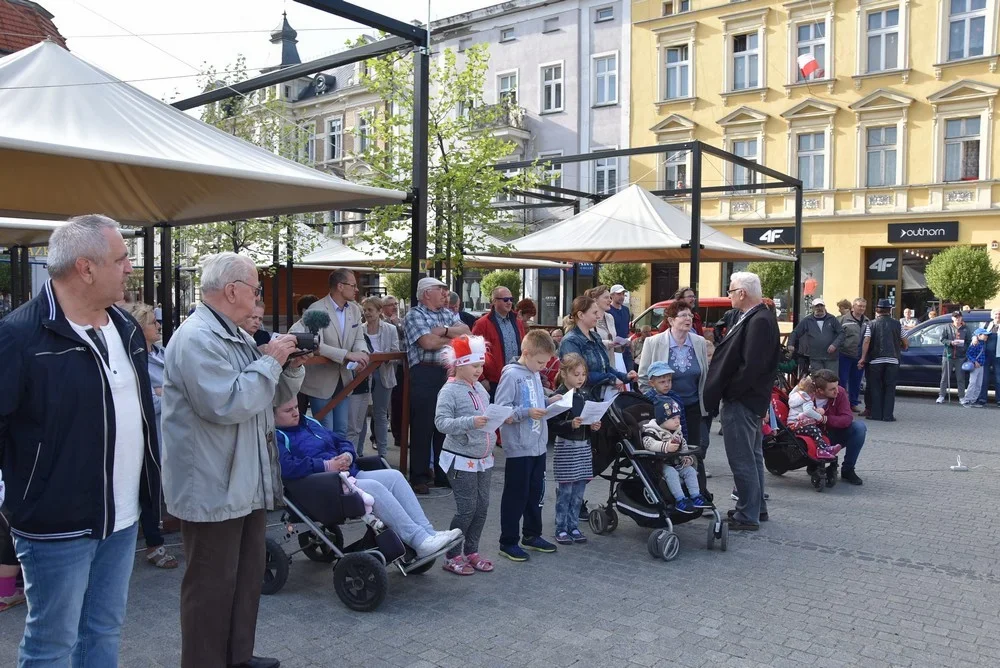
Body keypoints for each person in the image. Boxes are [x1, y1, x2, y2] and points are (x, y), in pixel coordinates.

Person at [0, 214, 161, 667]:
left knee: (103, 631)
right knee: (51, 644)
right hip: (55, 525)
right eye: (121, 258)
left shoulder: (127, 329)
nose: (130, 267)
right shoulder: (19, 336)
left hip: (122, 517)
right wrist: (18, 497)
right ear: (86, 268)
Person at [161, 252, 307, 668]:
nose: (259, 298)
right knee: (210, 586)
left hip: (243, 480)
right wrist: (271, 360)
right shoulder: (196, 338)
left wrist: (289, 368)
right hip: (212, 484)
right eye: (257, 290)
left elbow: (266, 397)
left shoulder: (233, 333)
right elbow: (226, 402)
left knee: (245, 579)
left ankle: (238, 657)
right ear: (232, 291)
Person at [274, 399, 457, 557]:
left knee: (394, 476)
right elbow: (287, 468)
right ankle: (418, 540)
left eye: (296, 407)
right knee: (374, 487)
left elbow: (340, 440)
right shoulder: (277, 436)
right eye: (288, 410)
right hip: (324, 486)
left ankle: (428, 533)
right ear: (272, 415)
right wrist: (327, 465)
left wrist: (347, 455)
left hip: (347, 474)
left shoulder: (309, 422)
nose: (295, 412)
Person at [705, 272, 780, 531]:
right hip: (751, 399)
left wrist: (731, 392)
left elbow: (752, 367)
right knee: (753, 456)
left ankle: (747, 514)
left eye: (730, 290)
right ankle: (756, 508)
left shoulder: (759, 319)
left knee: (743, 459)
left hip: (744, 400)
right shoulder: (756, 316)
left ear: (742, 293)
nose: (728, 294)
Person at [495, 330, 563, 562]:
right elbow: (502, 410)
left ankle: (532, 535)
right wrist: (527, 413)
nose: (543, 367)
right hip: (519, 447)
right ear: (526, 353)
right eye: (540, 362)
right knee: (516, 495)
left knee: (535, 493)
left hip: (538, 445)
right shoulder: (511, 375)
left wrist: (548, 401)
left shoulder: (534, 373)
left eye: (546, 362)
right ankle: (508, 541)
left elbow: (533, 401)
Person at [433, 335, 496, 575]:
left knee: (482, 507)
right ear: (459, 364)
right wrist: (471, 422)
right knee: (467, 508)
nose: (479, 371)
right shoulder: (449, 391)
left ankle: (471, 551)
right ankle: (451, 555)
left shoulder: (478, 387)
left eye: (481, 366)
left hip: (483, 458)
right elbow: (441, 423)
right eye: (475, 366)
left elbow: (485, 415)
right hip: (460, 458)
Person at [403, 276, 471, 493]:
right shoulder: (415, 315)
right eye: (440, 290)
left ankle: (442, 473)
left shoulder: (446, 314)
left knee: (446, 424)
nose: (445, 294)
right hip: (423, 372)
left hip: (445, 372)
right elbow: (427, 342)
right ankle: (419, 477)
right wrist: (452, 336)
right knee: (423, 425)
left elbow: (467, 332)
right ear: (426, 293)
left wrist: (442, 330)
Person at [124, 302, 179, 570]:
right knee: (149, 489)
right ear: (137, 327)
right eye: (151, 322)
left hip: (172, 433)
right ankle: (154, 544)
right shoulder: (132, 360)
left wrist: (162, 392)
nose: (158, 326)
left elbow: (179, 388)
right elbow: (143, 401)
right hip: (147, 436)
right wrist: (163, 394)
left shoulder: (163, 353)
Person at [293, 269, 369, 439]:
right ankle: (328, 465)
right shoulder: (317, 309)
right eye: (353, 285)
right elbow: (316, 344)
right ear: (340, 286)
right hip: (321, 381)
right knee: (325, 430)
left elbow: (359, 338)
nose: (357, 289)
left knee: (342, 430)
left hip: (344, 380)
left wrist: (362, 353)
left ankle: (341, 465)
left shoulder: (355, 310)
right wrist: (348, 355)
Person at [637, 301, 709, 450]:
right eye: (683, 315)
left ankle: (694, 472)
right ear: (670, 320)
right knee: (670, 450)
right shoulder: (653, 342)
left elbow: (705, 374)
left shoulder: (699, 342)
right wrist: (655, 401)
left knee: (694, 447)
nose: (688, 318)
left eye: (690, 315)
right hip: (665, 409)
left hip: (693, 405)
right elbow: (643, 377)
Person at [547, 353, 602, 545]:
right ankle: (561, 528)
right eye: (576, 374)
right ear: (564, 374)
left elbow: (587, 419)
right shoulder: (560, 396)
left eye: (583, 374)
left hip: (583, 448)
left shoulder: (585, 394)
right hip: (566, 448)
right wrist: (570, 424)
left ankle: (573, 526)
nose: (581, 378)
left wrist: (593, 426)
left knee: (579, 490)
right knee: (566, 491)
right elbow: (552, 424)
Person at [349, 296, 398, 458]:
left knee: (381, 414)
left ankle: (382, 454)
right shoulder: (359, 330)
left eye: (370, 310)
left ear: (379, 311)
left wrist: (381, 357)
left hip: (383, 373)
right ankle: (358, 453)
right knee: (360, 415)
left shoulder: (390, 329)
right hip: (363, 375)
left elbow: (396, 354)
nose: (367, 313)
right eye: (365, 310)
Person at [640, 402, 708, 514]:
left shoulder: (677, 431)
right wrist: (666, 447)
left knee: (690, 471)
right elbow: (649, 444)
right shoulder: (651, 431)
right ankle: (680, 499)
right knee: (671, 473)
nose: (677, 421)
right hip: (659, 464)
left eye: (678, 417)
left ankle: (696, 496)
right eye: (673, 418)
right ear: (662, 420)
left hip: (676, 462)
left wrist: (686, 457)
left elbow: (684, 445)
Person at [560, 295, 637, 394]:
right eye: (594, 313)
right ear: (581, 315)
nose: (598, 316)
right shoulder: (570, 341)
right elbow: (576, 374)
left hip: (600, 396)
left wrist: (625, 376)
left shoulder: (595, 336)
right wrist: (611, 378)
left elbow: (605, 367)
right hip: (581, 397)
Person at [811, 370, 867, 485]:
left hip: (832, 435)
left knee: (859, 428)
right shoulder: (806, 396)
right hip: (812, 437)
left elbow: (847, 418)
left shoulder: (840, 393)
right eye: (832, 389)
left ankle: (848, 469)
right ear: (820, 390)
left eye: (837, 386)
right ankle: (813, 463)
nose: (837, 391)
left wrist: (825, 419)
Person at [471, 286, 526, 393]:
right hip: (494, 382)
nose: (509, 302)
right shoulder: (482, 324)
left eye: (511, 299)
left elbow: (524, 347)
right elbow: (473, 352)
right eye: (505, 299)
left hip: (516, 378)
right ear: (494, 301)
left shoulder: (518, 322)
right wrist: (481, 378)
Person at [859, 299, 907, 421]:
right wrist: (903, 347)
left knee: (875, 387)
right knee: (890, 388)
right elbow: (905, 340)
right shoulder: (897, 324)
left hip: (875, 361)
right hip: (893, 360)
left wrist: (863, 358)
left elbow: (866, 341)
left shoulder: (871, 324)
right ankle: (888, 415)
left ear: (877, 310)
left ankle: (876, 414)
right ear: (889, 311)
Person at [787, 376, 840, 459]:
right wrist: (819, 417)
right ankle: (821, 450)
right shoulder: (807, 400)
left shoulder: (794, 396)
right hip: (798, 424)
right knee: (816, 431)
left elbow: (791, 393)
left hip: (791, 424)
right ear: (812, 393)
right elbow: (808, 411)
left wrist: (800, 384)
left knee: (815, 432)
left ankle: (825, 447)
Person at [787, 298, 845, 374]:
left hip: (831, 357)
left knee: (831, 380)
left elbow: (841, 333)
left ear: (824, 307)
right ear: (813, 308)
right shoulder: (807, 320)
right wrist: (790, 344)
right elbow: (795, 332)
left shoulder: (832, 319)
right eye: (817, 306)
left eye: (821, 306)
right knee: (818, 380)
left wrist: (834, 345)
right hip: (815, 357)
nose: (819, 308)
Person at [838, 298, 870, 412]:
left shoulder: (867, 321)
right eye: (859, 306)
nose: (862, 308)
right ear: (853, 306)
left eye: (863, 306)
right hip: (844, 355)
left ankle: (853, 403)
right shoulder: (843, 320)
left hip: (859, 357)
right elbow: (837, 336)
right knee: (842, 380)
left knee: (856, 381)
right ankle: (841, 404)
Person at [937, 310, 971, 404]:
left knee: (960, 378)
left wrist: (964, 347)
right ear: (952, 318)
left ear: (961, 318)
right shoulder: (947, 327)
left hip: (960, 356)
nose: (957, 319)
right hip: (948, 355)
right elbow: (942, 339)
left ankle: (961, 397)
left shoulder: (966, 328)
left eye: (959, 317)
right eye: (955, 317)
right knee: (944, 377)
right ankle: (941, 396)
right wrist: (950, 342)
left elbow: (969, 341)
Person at [972, 308, 1000, 407]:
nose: (998, 316)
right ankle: (982, 399)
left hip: (998, 356)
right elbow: (976, 333)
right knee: (984, 378)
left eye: (999, 314)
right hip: (986, 356)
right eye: (996, 314)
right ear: (992, 316)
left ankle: (999, 400)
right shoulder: (987, 325)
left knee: (998, 379)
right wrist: (975, 337)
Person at [960, 328, 989, 407]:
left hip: (981, 366)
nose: (987, 336)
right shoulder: (975, 343)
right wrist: (974, 361)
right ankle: (967, 400)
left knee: (979, 384)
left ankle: (973, 400)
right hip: (975, 366)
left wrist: (974, 337)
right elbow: (968, 354)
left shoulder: (982, 342)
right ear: (979, 335)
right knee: (973, 382)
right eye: (985, 335)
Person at [608, 284, 633, 371]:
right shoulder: (608, 311)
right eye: (619, 294)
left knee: (630, 374)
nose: (622, 296)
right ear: (611, 295)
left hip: (626, 348)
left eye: (623, 294)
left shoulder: (626, 310)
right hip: (614, 349)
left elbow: (626, 328)